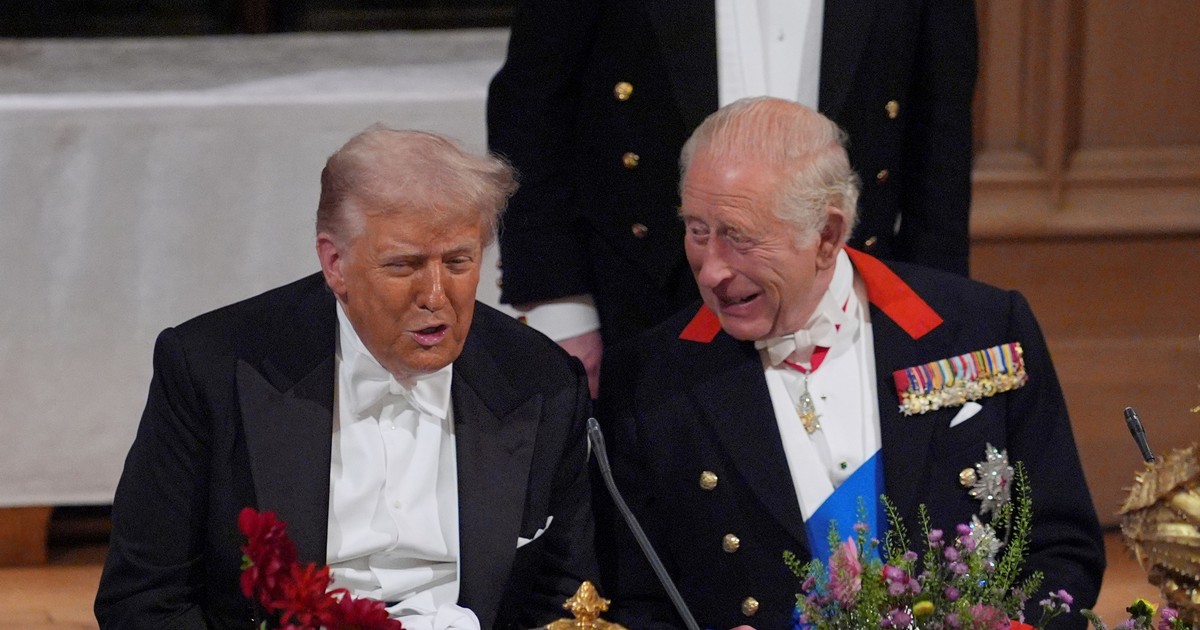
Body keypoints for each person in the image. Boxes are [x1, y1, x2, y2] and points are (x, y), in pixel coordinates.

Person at [595, 98, 1104, 630]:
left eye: (739, 237)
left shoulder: (982, 327)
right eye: (698, 231)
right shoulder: (648, 378)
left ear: (828, 235)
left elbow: (1062, 547)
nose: (711, 271)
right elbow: (632, 601)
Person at [95, 127, 599, 630]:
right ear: (335, 263)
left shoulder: (542, 381)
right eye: (403, 265)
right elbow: (144, 598)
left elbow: (568, 597)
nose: (435, 295)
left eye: (458, 262)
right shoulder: (211, 368)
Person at [487, 0, 978, 394]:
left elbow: (942, 135)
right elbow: (532, 105)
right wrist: (561, 309)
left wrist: (930, 314)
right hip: (643, 303)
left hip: (851, 296)